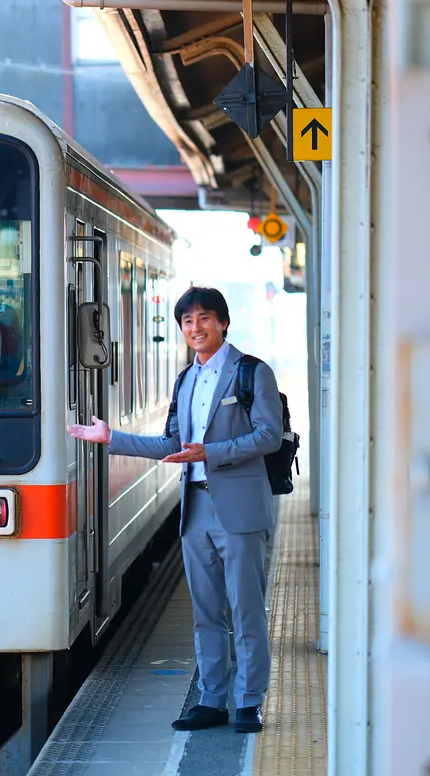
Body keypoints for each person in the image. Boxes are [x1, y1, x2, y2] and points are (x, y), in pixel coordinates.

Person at [66, 286, 283, 734]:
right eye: (187, 322)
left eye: (204, 319)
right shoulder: (185, 381)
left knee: (245, 609)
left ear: (223, 322)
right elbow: (171, 444)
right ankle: (211, 699)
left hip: (239, 507)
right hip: (196, 509)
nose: (195, 328)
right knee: (205, 611)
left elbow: (268, 437)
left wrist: (211, 452)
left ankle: (249, 702)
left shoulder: (251, 373)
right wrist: (112, 439)